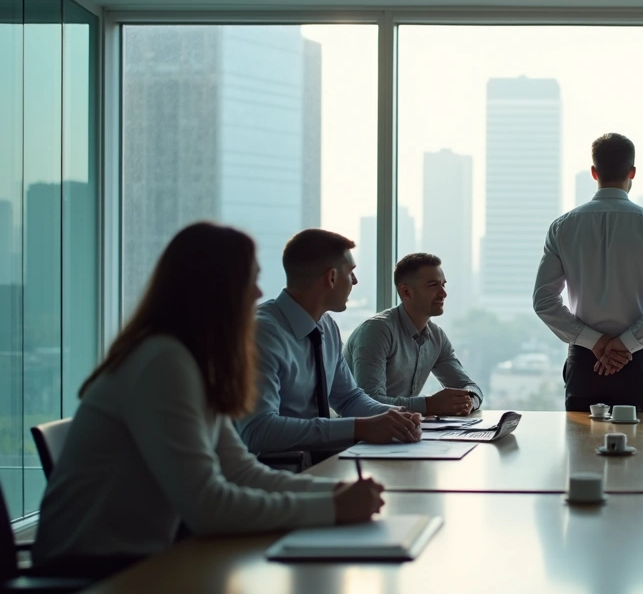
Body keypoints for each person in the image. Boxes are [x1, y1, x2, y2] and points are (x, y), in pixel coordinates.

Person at [33, 223, 386, 578]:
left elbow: (241, 471)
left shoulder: (189, 361)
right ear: (216, 290)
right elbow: (208, 507)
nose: (258, 293)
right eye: (250, 280)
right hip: (93, 572)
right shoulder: (163, 362)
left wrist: (335, 491)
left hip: (145, 560)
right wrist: (330, 507)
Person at [533, 132, 643, 412]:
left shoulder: (562, 227)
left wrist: (597, 342)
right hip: (636, 363)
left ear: (594, 172)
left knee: (580, 451)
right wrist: (625, 344)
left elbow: (544, 302)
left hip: (585, 362)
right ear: (633, 172)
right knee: (642, 450)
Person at [237, 229, 421, 456]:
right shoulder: (261, 333)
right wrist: (360, 428)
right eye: (350, 272)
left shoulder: (326, 326)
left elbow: (348, 398)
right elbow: (258, 431)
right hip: (276, 476)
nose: (355, 280)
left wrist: (395, 415)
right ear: (331, 277)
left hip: (322, 466)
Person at [344, 253, 483, 416]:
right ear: (406, 292)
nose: (443, 293)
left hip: (403, 432)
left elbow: (468, 386)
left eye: (443, 285)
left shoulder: (436, 337)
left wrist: (468, 401)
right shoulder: (377, 331)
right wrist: (429, 405)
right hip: (359, 437)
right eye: (433, 285)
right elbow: (368, 403)